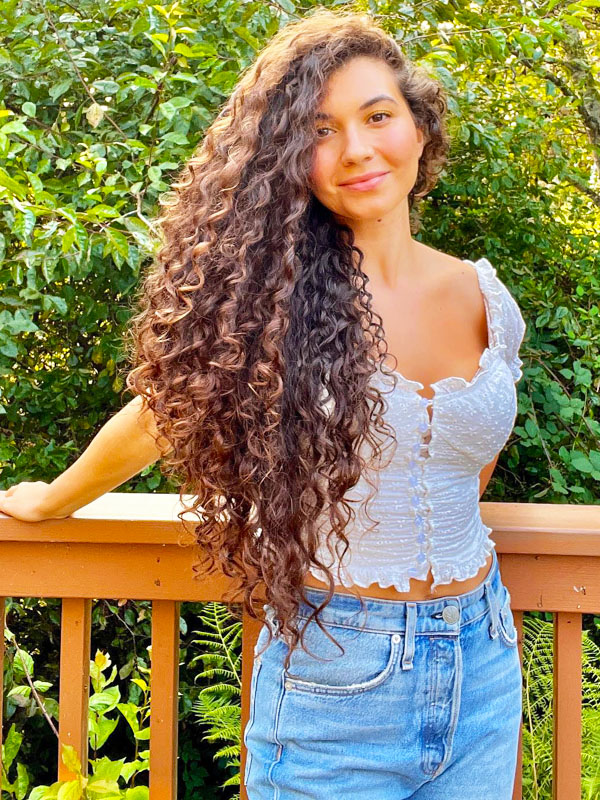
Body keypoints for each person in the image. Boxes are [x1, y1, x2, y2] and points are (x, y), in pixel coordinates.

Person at [0, 8, 526, 799]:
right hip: (335, 677)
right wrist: (52, 500)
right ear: (292, 162)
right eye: (321, 131)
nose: (357, 149)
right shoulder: (272, 304)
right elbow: (157, 419)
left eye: (377, 115)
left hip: (484, 660)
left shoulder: (486, 298)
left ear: (419, 127)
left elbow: (467, 460)